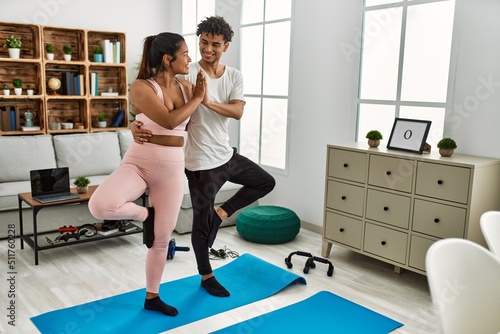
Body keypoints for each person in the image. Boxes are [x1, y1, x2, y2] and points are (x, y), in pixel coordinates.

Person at [131, 16, 276, 297]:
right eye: (203, 42)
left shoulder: (233, 76)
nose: (207, 49)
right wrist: (133, 125)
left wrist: (206, 100)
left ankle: (221, 213)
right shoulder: (185, 72)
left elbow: (237, 112)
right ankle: (207, 276)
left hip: (226, 154)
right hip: (199, 163)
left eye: (215, 44)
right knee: (201, 222)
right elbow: (155, 104)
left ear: (226, 46)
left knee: (265, 182)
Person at [88, 32, 206, 316]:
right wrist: (199, 97)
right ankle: (145, 215)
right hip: (139, 162)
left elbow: (189, 126)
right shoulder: (142, 86)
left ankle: (152, 296)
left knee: (161, 239)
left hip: (172, 168)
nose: (190, 59)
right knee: (100, 205)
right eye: (185, 54)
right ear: (168, 59)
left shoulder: (188, 88)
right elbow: (167, 119)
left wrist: (200, 96)